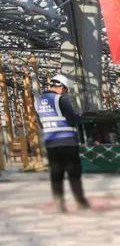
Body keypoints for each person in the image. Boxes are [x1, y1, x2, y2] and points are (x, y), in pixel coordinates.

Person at [34, 73, 89, 212]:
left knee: (56, 173)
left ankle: (59, 202)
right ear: (62, 87)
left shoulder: (38, 102)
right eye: (66, 89)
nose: (65, 92)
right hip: (67, 141)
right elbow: (72, 119)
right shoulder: (61, 100)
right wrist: (79, 117)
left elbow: (41, 123)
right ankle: (80, 201)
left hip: (50, 142)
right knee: (73, 173)